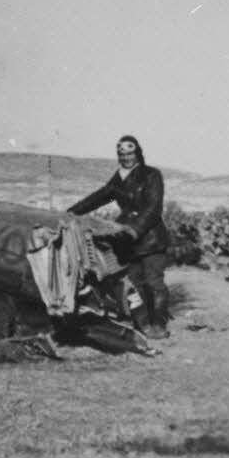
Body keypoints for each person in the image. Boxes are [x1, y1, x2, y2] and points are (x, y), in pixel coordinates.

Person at [68, 134, 171, 338]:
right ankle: (143, 325)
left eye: (130, 153)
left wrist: (135, 229)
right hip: (127, 240)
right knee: (135, 284)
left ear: (138, 152)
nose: (126, 157)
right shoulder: (119, 178)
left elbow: (154, 207)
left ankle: (158, 324)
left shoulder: (152, 175)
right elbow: (98, 197)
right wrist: (70, 213)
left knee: (154, 283)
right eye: (121, 154)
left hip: (151, 239)